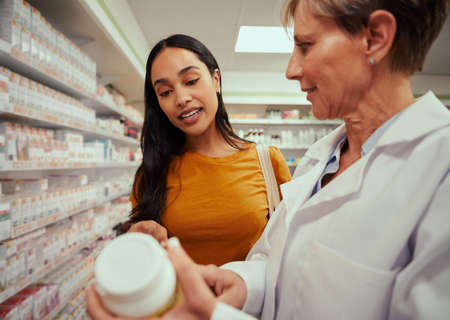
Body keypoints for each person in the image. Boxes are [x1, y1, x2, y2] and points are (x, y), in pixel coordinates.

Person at [86, 0, 450, 319]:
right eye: (164, 92)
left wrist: (209, 314)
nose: (291, 69)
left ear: (375, 38)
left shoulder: (440, 172)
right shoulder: (319, 160)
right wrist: (244, 285)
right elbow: (279, 263)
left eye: (305, 45)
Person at [125, 34, 291, 266]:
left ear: (216, 80)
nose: (181, 98)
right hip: (179, 302)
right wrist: (137, 241)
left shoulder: (267, 161)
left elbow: (288, 249)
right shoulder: (151, 173)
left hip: (251, 302)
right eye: (165, 92)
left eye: (191, 81)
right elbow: (141, 264)